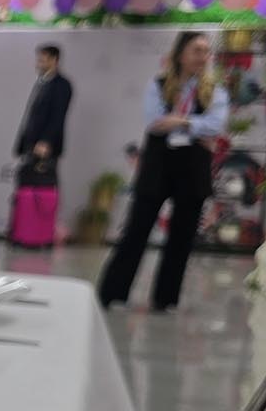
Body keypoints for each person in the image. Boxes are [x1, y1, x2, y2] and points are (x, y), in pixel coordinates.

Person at [96, 32, 229, 311]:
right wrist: (194, 125)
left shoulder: (215, 90)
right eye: (196, 50)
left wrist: (180, 122)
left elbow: (215, 125)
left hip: (193, 167)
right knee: (136, 230)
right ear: (181, 53)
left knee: (182, 236)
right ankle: (113, 292)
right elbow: (154, 121)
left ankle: (166, 298)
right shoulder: (158, 84)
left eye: (206, 51)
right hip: (159, 164)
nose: (202, 56)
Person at [15, 44, 73, 167]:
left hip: (44, 148)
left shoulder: (61, 85)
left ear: (54, 60)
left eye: (42, 60)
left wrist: (46, 141)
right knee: (28, 181)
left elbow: (58, 115)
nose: (38, 64)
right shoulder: (42, 82)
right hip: (31, 144)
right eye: (38, 60)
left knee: (43, 182)